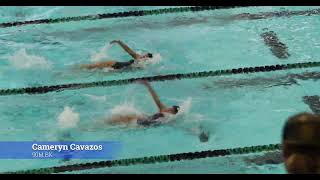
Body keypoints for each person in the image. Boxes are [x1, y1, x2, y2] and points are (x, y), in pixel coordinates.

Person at [108, 80, 180, 127]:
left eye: (172, 110)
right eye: (171, 108)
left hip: (144, 123)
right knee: (122, 117)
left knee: (123, 118)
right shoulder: (163, 109)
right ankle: (108, 123)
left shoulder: (168, 117)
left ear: (173, 113)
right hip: (145, 120)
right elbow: (156, 98)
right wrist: (148, 85)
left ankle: (105, 124)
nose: (170, 109)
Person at [80, 40, 153, 70]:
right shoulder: (138, 57)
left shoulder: (144, 63)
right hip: (114, 64)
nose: (144, 56)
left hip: (118, 68)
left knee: (94, 68)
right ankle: (79, 68)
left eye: (146, 56)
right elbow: (128, 50)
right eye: (144, 55)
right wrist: (119, 42)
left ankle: (80, 68)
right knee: (91, 67)